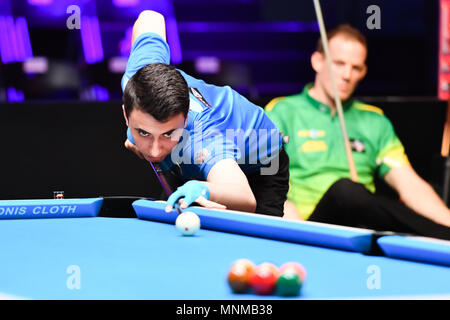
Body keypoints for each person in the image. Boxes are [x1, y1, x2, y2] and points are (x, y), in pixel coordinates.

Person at [265, 24, 450, 239]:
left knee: (354, 195)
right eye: (339, 64)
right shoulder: (281, 111)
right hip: (310, 228)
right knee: (346, 191)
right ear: (318, 61)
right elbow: (267, 183)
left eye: (356, 68)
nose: (346, 75)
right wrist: (294, 229)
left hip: (364, 226)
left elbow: (409, 185)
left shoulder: (374, 120)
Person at [121, 10, 289, 216]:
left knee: (256, 243)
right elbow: (151, 17)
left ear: (185, 119)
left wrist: (205, 188)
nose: (155, 152)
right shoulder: (138, 76)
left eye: (168, 133)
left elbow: (245, 198)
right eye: (144, 132)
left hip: (260, 161)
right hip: (194, 158)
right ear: (125, 114)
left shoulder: (203, 136)